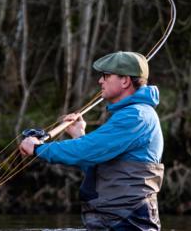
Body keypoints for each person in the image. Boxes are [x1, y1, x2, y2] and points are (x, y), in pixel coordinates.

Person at [19, 51, 164, 230]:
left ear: (125, 81)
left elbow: (87, 151)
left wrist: (38, 149)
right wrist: (79, 135)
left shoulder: (136, 116)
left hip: (127, 221)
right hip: (113, 220)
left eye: (106, 76)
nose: (100, 81)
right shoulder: (132, 114)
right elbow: (100, 167)